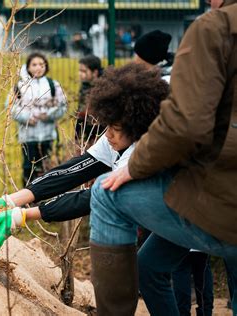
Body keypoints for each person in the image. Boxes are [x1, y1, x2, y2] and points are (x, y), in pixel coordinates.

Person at [87, 2, 237, 316]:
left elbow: (187, 124)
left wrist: (137, 165)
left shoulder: (215, 29)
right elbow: (82, 166)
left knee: (105, 193)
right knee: (150, 265)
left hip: (220, 203)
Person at [0, 63, 169, 255]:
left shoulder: (142, 154)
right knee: (148, 271)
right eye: (107, 126)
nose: (107, 134)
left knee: (174, 271)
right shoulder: (115, 138)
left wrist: (21, 216)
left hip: (185, 219)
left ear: (138, 128)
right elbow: (73, 171)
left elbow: (93, 197)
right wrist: (11, 200)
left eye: (115, 129)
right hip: (158, 215)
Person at [9, 52, 67, 186]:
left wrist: (49, 115)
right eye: (34, 64)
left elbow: (62, 106)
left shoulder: (53, 85)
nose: (38, 67)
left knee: (46, 168)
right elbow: (11, 108)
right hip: (28, 136)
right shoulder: (20, 86)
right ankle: (27, 196)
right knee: (29, 168)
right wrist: (27, 118)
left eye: (41, 64)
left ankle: (43, 196)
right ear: (28, 67)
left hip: (48, 135)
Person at [75, 55, 103, 147]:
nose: (80, 74)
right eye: (79, 70)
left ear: (95, 72)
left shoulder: (104, 88)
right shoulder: (85, 85)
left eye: (84, 71)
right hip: (84, 129)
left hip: (97, 131)